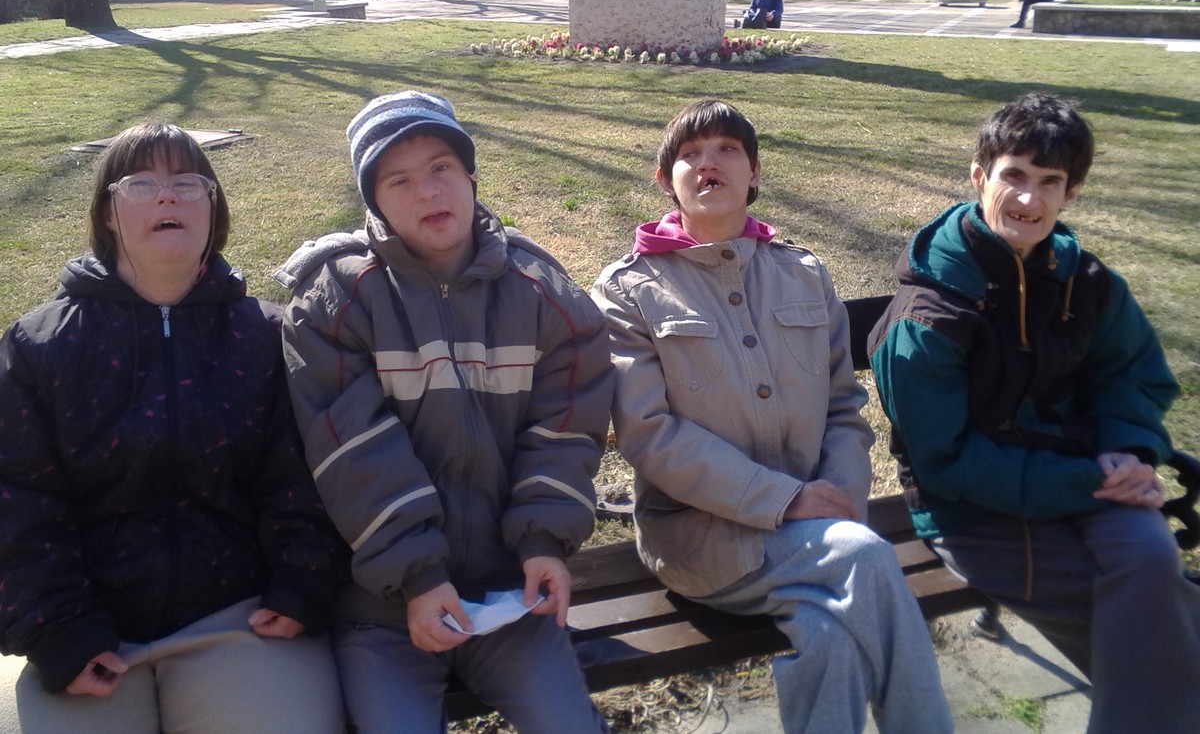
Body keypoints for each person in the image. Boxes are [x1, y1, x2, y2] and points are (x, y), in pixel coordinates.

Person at [591, 99, 952, 734]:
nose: (709, 164)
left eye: (727, 150)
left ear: (754, 172)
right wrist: (787, 501)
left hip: (821, 539)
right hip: (702, 543)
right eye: (690, 155)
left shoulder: (803, 274)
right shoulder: (628, 291)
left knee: (832, 635)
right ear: (665, 180)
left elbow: (843, 408)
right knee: (865, 559)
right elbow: (650, 437)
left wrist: (837, 501)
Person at [273, 91, 613, 734]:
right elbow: (354, 453)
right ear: (374, 202)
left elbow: (567, 428)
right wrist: (419, 576)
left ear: (470, 177)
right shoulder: (337, 299)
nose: (428, 191)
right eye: (398, 180)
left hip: (511, 595)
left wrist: (543, 540)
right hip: (383, 609)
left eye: (441, 168)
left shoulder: (541, 290)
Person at [868, 93, 1200, 733]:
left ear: (1071, 193)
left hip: (1090, 478)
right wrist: (1090, 479)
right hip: (974, 510)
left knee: (1151, 563)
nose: (1029, 199)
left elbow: (1131, 374)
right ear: (979, 177)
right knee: (1147, 615)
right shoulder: (928, 317)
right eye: (1014, 175)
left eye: (1050, 182)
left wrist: (1129, 451)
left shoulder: (1088, 282)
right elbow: (945, 461)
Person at [0, 123, 347, 734]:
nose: (168, 195)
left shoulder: (267, 337)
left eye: (189, 183)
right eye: (142, 183)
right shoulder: (39, 348)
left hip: (243, 620)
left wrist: (301, 585)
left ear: (214, 210)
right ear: (107, 213)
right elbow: (18, 501)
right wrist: (58, 629)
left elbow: (302, 477)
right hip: (89, 633)